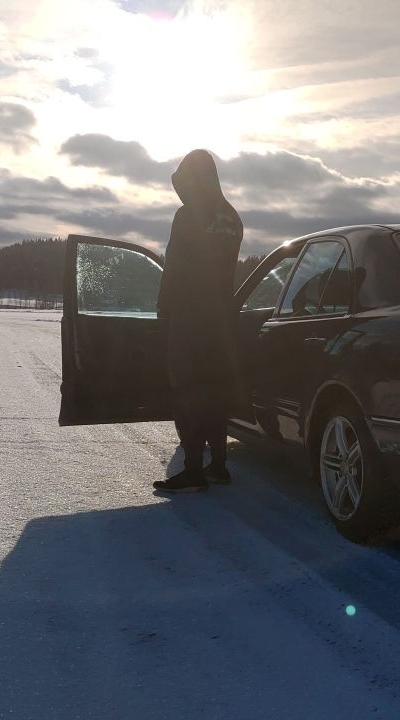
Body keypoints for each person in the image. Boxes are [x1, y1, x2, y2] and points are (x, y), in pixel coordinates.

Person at [152, 149, 244, 493]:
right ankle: (218, 466)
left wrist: (164, 306)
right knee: (214, 391)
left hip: (190, 317)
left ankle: (192, 470)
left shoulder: (188, 215)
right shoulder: (232, 218)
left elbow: (174, 264)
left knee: (188, 390)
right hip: (222, 320)